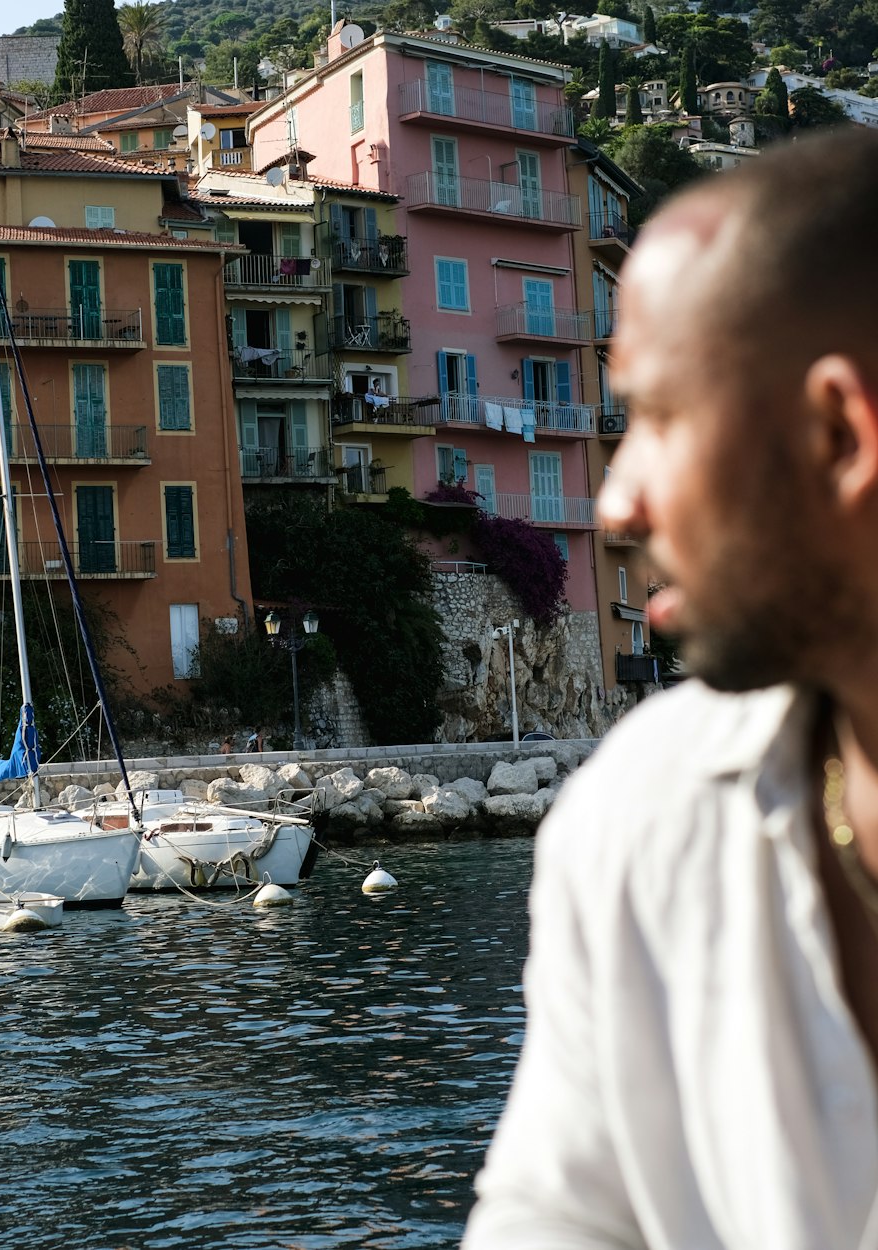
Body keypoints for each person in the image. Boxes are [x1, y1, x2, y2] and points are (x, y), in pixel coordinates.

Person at [463, 128, 878, 1250]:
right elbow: (559, 1217)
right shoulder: (638, 813)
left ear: (839, 435)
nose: (611, 504)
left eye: (654, 418)